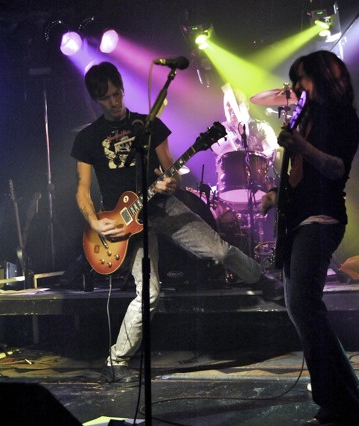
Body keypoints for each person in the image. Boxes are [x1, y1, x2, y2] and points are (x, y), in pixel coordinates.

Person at [71, 62, 283, 383]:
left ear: (123, 90)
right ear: (95, 100)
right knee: (149, 294)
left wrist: (170, 183)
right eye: (106, 98)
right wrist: (95, 223)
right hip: (122, 222)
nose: (114, 102)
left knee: (220, 250)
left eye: (117, 94)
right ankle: (115, 362)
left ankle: (261, 280)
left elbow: (171, 171)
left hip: (161, 206)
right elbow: (82, 190)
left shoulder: (149, 125)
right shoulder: (88, 138)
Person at [260, 50, 359, 426]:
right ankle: (345, 391)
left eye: (301, 79)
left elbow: (336, 167)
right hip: (299, 220)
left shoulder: (342, 117)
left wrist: (302, 147)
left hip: (322, 219)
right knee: (300, 307)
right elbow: (302, 174)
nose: (296, 87)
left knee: (305, 305)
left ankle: (340, 408)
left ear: (321, 77)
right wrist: (277, 195)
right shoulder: (308, 118)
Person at [211, 84, 279, 210]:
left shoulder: (261, 127)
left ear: (246, 105)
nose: (232, 108)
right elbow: (221, 151)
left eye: (237, 103)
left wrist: (256, 157)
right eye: (228, 105)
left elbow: (273, 151)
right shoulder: (220, 131)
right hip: (231, 187)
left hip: (261, 185)